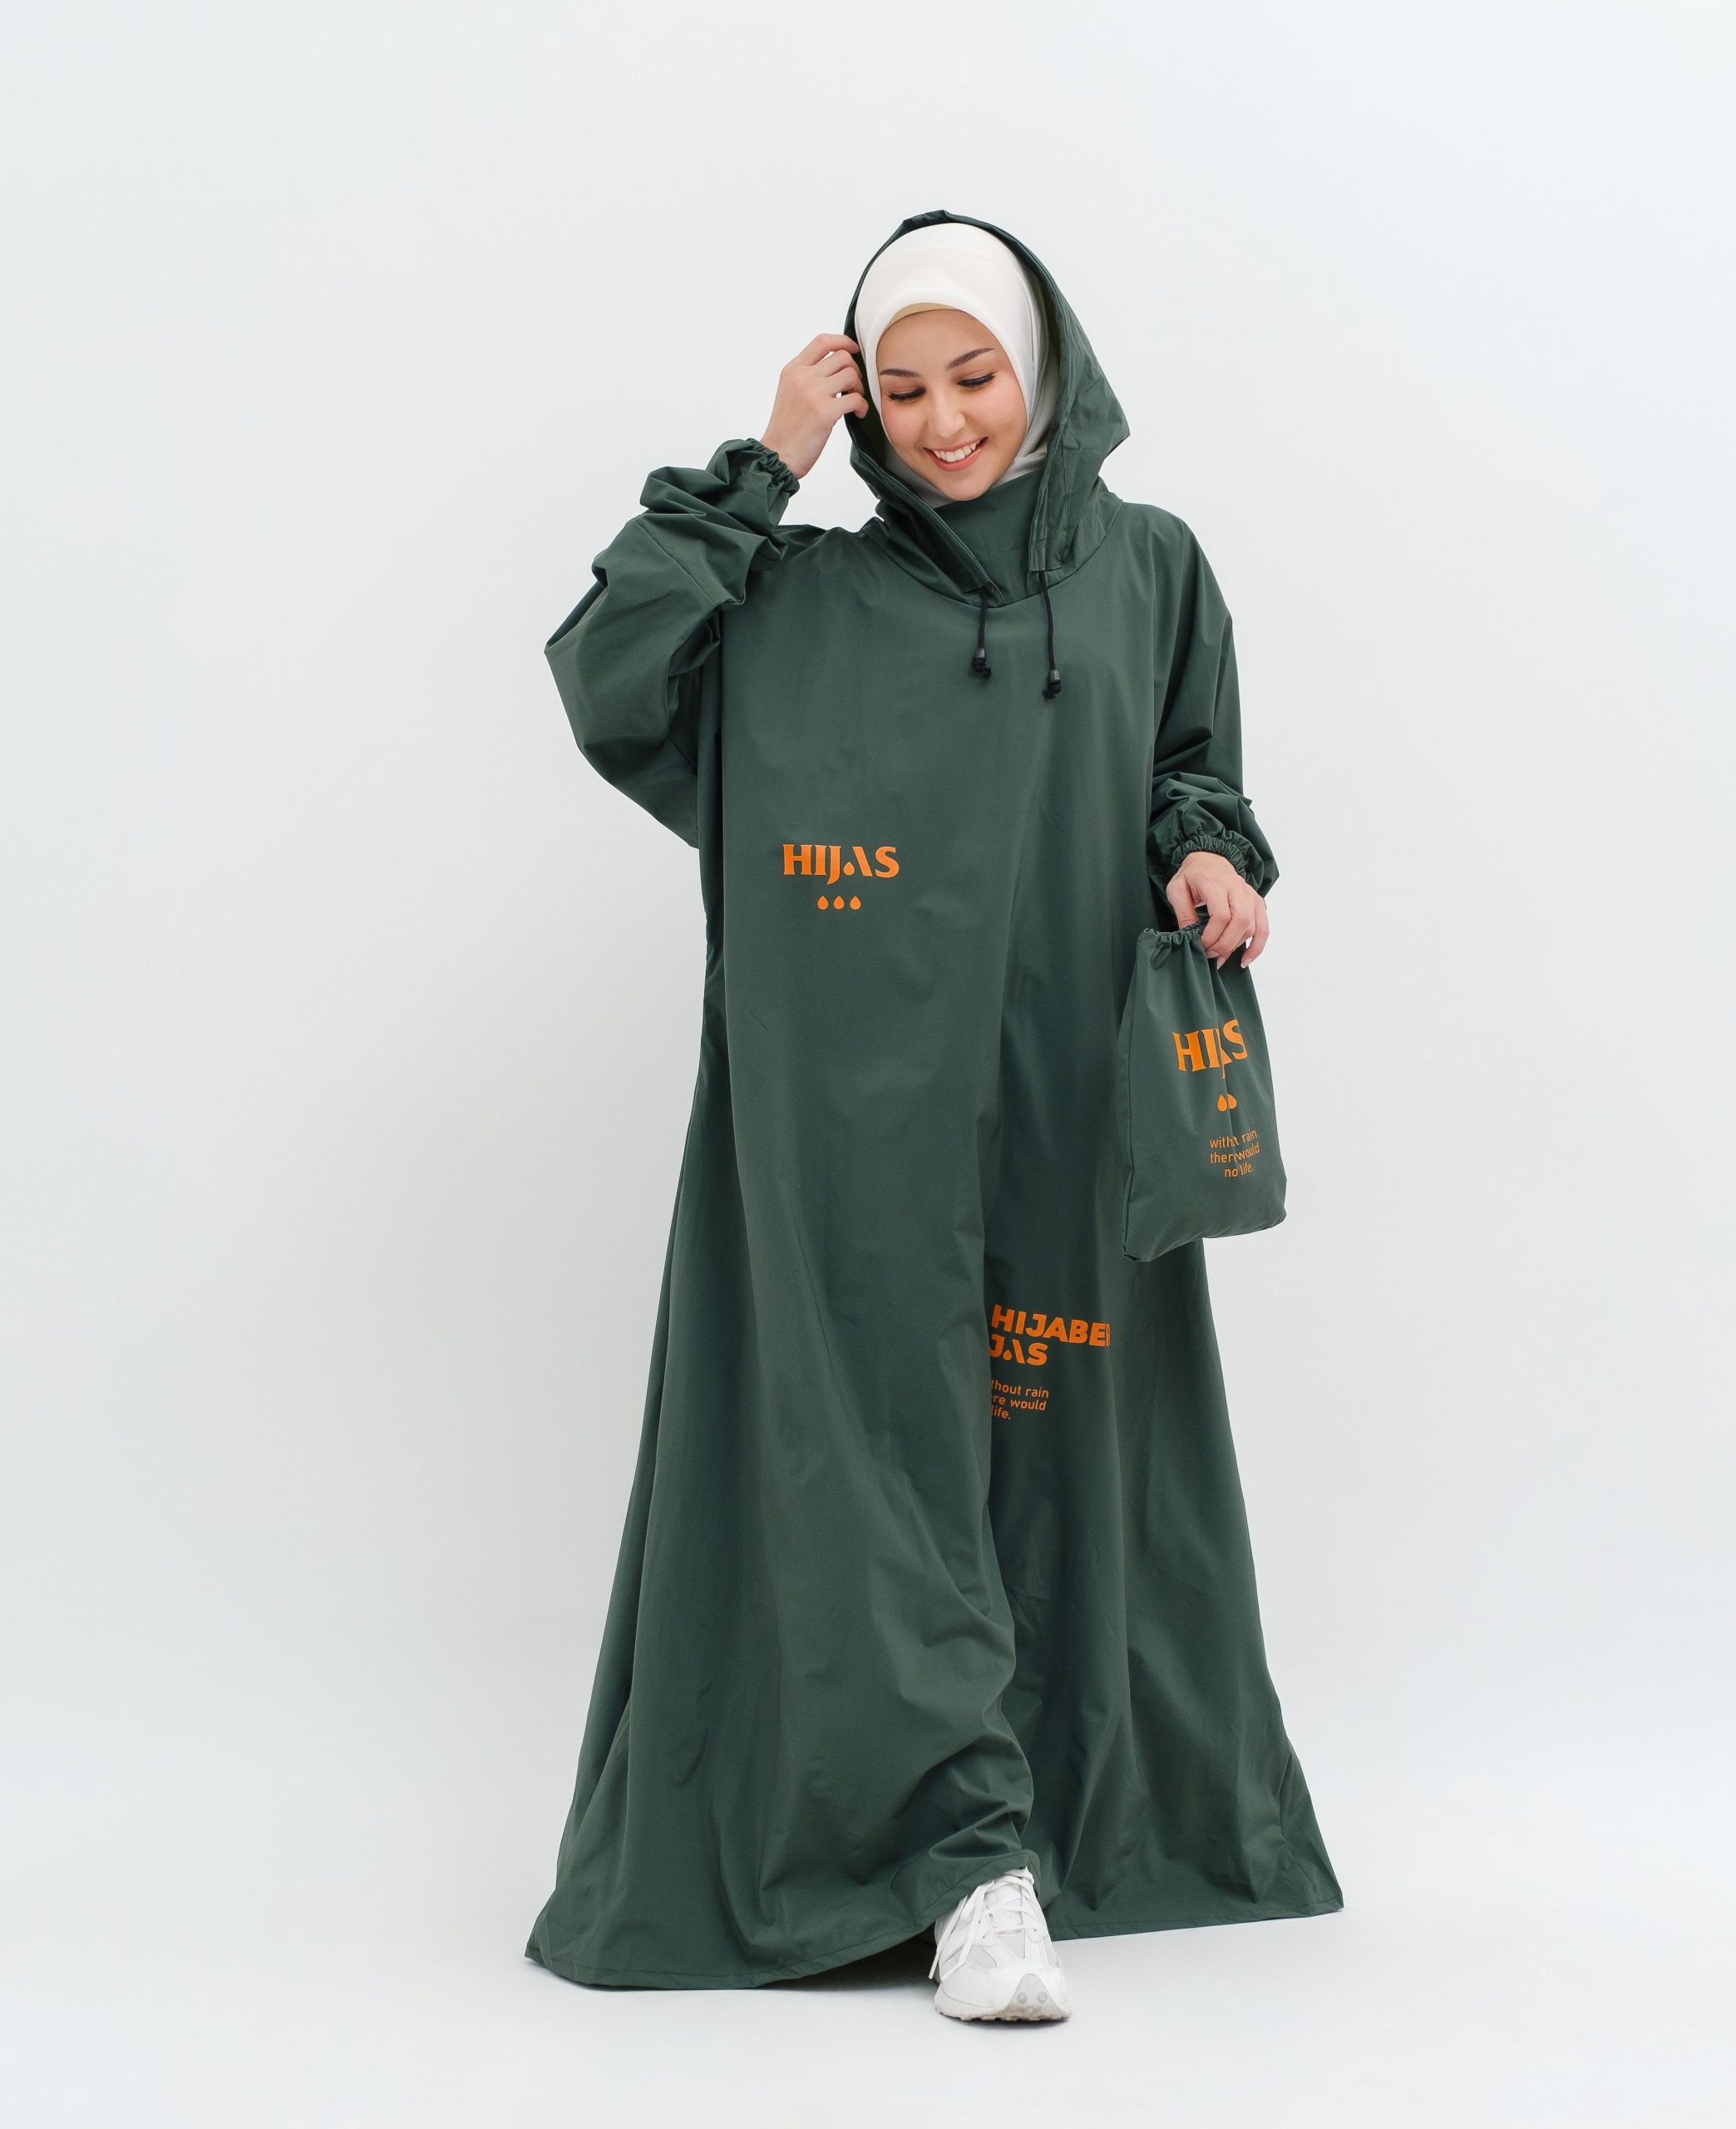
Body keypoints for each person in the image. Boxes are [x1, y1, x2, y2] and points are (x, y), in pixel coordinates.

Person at [525, 210, 1340, 2023]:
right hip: (848, 1114)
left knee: (1058, 1452)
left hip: (1069, 1095)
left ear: (1044, 369)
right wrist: (762, 466)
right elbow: (609, 676)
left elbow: (1186, 759)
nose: (944, 421)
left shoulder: (1149, 567)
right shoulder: (797, 598)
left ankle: (1048, 1826)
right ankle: (967, 1865)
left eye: (973, 377)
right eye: (898, 390)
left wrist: (1208, 852)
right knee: (872, 1464)